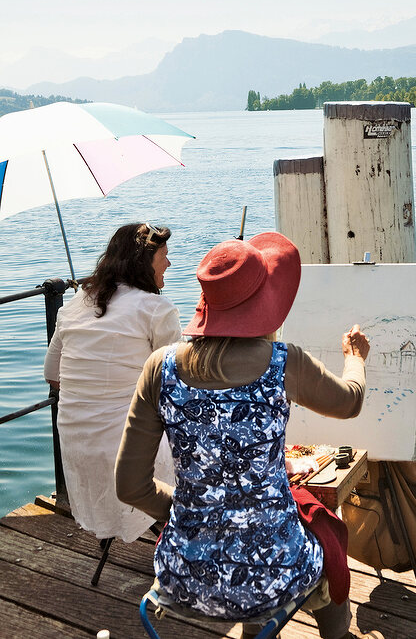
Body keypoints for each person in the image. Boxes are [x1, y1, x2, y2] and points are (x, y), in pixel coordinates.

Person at [115, 232, 371, 639]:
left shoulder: (159, 368)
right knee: (330, 555)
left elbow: (129, 487)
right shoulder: (283, 364)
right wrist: (355, 359)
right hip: (273, 575)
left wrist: (193, 513)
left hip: (185, 576)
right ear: (265, 302)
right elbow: (350, 402)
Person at [44, 221, 182, 541]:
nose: (169, 263)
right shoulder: (155, 308)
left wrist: (95, 393)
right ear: (144, 262)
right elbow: (176, 387)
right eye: (164, 255)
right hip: (132, 458)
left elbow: (52, 374)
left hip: (79, 448)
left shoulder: (75, 305)